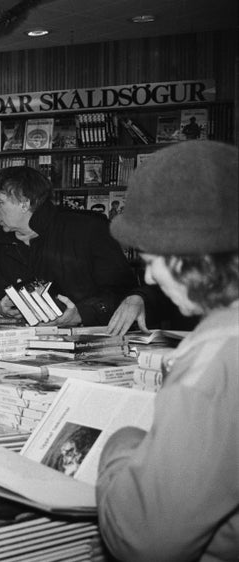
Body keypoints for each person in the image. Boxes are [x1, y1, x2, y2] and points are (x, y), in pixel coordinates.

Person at [96, 140, 238, 560]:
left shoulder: (217, 358)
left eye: (156, 258)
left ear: (199, 257)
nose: (152, 278)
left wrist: (121, 443)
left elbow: (146, 539)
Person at [0, 166, 136, 326]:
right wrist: (1, 310)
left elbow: (125, 292)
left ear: (24, 203)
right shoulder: (3, 241)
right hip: (32, 342)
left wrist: (82, 314)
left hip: (92, 338)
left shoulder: (87, 229)